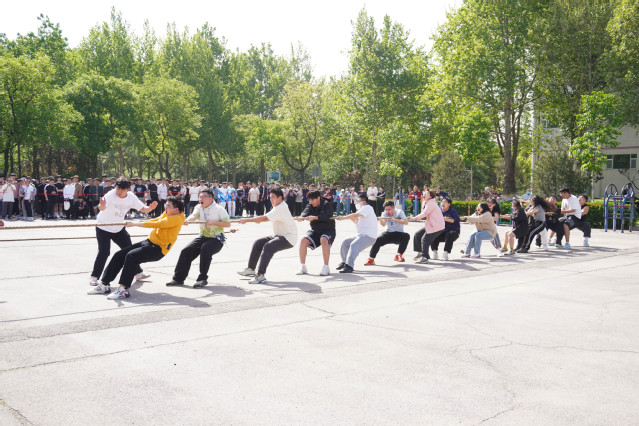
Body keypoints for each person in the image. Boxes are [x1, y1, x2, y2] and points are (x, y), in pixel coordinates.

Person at [90, 196, 185, 299]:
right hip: (149, 242)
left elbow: (158, 224)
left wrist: (134, 224)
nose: (165, 207)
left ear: (176, 209)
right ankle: (104, 285)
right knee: (120, 255)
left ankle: (123, 289)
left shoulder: (177, 218)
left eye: (168, 206)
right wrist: (139, 222)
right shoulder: (168, 213)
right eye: (165, 204)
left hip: (159, 249)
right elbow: (155, 220)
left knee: (131, 256)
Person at [87, 177, 158, 287]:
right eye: (117, 188)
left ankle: (138, 273)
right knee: (104, 252)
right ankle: (94, 277)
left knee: (130, 251)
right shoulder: (110, 195)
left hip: (119, 228)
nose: (119, 191)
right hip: (103, 227)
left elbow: (143, 209)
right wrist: (102, 205)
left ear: (128, 189)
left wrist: (150, 208)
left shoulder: (131, 197)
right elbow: (101, 208)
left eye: (122, 189)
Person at [166, 189, 230, 288]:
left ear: (211, 198)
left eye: (204, 197)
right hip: (203, 237)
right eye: (200, 197)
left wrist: (214, 223)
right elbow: (193, 216)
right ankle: (178, 279)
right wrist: (187, 220)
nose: (201, 199)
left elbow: (228, 224)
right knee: (186, 251)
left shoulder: (219, 209)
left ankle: (202, 279)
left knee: (205, 249)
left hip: (217, 239)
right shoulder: (198, 207)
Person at [237, 188, 297, 284]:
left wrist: (247, 220)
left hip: (289, 238)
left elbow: (264, 218)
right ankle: (251, 269)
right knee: (258, 243)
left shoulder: (281, 208)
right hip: (279, 235)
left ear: (280, 198)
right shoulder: (277, 206)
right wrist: (258, 220)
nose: (271, 199)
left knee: (268, 246)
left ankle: (261, 275)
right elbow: (266, 218)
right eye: (270, 197)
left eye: (273, 197)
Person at [335, 193, 378, 273]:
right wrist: (351, 217)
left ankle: (349, 266)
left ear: (363, 202)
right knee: (345, 242)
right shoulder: (362, 211)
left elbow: (356, 214)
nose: (357, 203)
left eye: (358, 201)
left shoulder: (367, 208)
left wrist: (343, 217)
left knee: (354, 245)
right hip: (361, 235)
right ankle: (344, 262)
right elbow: (356, 221)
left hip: (369, 236)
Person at [295, 190, 335, 276]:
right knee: (303, 241)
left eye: (312, 200)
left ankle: (326, 267)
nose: (311, 202)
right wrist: (301, 217)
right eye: (309, 200)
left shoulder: (327, 204)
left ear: (318, 198)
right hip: (316, 231)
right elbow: (305, 212)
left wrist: (315, 217)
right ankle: (303, 266)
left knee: (323, 239)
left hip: (328, 230)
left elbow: (327, 215)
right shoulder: (310, 205)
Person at [364, 200, 410, 265]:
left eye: (389, 209)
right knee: (377, 240)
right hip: (388, 233)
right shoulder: (384, 213)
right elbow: (383, 224)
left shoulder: (399, 212)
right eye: (386, 209)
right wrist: (381, 220)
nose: (387, 211)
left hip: (398, 234)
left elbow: (406, 222)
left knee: (406, 236)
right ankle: (371, 259)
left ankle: (399, 255)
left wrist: (395, 219)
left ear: (394, 208)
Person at [408, 190, 445, 264]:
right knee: (417, 235)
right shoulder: (426, 202)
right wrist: (418, 217)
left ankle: (425, 258)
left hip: (436, 226)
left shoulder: (431, 203)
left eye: (427, 193)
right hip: (431, 225)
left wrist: (414, 218)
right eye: (424, 193)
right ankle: (420, 253)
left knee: (425, 239)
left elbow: (424, 213)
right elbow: (423, 213)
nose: (424, 194)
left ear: (430, 196)